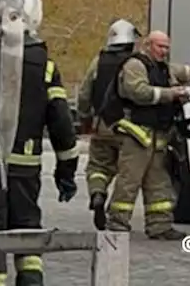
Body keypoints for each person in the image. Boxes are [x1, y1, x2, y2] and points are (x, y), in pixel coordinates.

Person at [0, 0, 81, 286]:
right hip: (25, 168)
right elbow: (61, 121)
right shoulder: (45, 66)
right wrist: (67, 169)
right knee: (26, 230)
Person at [97, 30, 190, 237]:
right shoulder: (134, 66)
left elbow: (181, 71)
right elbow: (138, 92)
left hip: (157, 134)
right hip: (136, 134)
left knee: (159, 183)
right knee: (129, 181)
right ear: (147, 45)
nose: (165, 52)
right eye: (160, 47)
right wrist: (172, 94)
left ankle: (160, 226)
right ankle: (117, 223)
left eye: (167, 47)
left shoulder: (162, 68)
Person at [76, 18, 141, 229]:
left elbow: (85, 93)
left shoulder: (98, 61)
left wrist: (84, 117)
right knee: (127, 174)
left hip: (102, 125)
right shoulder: (137, 63)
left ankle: (97, 193)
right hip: (131, 128)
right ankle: (118, 216)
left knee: (98, 166)